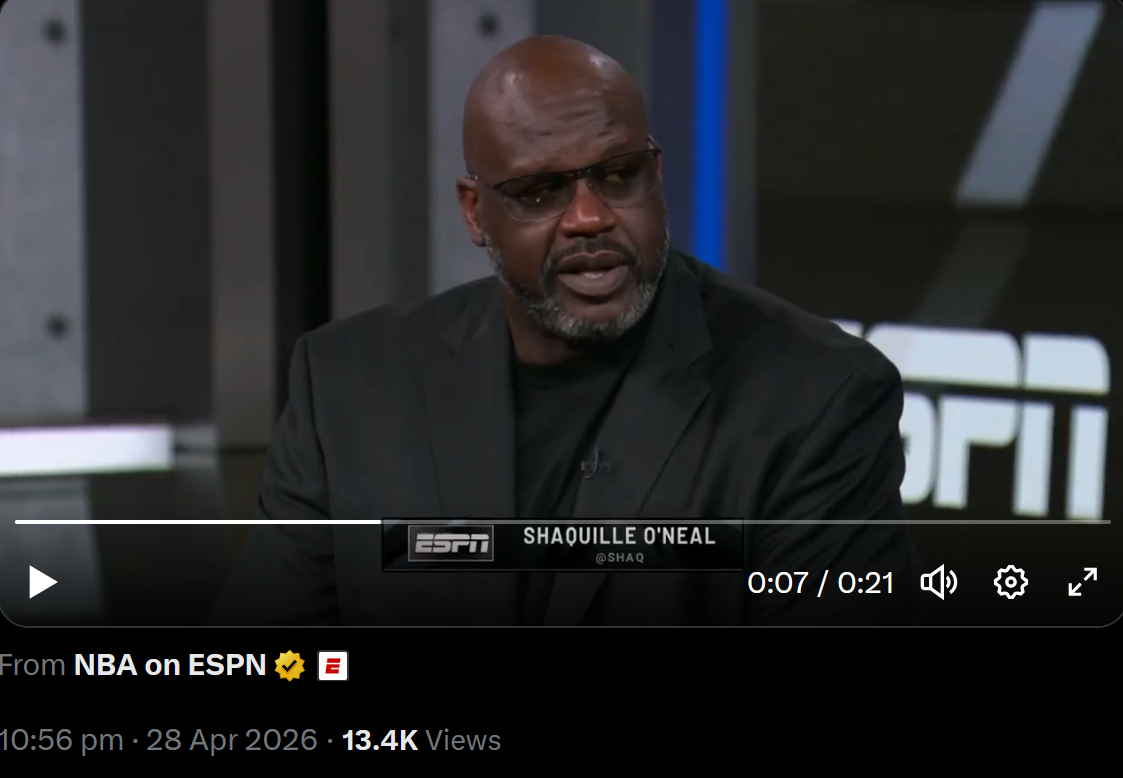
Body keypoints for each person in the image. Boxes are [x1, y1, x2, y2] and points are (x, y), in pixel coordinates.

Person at [211, 35, 918, 625]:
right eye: (540, 191)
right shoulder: (348, 383)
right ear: (475, 211)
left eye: (618, 175)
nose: (589, 217)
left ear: (655, 172)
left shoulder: (817, 397)